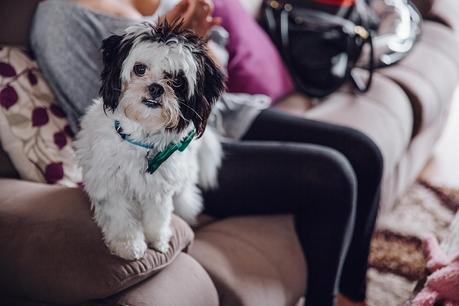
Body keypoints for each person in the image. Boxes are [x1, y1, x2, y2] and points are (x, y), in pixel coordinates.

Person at [30, 1, 383, 305]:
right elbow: (105, 116)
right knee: (332, 174)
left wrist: (199, 43)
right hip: (165, 151)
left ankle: (353, 296)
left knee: (365, 153)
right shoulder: (60, 18)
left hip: (222, 115)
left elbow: (217, 76)